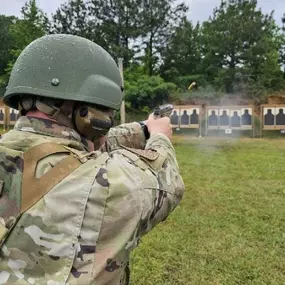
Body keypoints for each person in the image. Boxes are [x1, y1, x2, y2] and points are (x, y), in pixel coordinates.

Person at [0, 35, 184, 285]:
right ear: (86, 114)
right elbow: (167, 180)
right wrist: (160, 136)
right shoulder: (104, 185)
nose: (108, 121)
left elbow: (78, 143)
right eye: (106, 111)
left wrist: (145, 128)